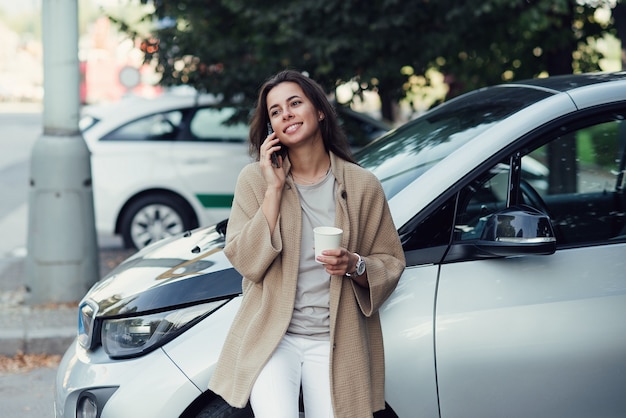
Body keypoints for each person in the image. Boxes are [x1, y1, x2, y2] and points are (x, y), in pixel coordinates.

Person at [208, 69, 406, 418]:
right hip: (273, 336)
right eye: (275, 111)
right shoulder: (255, 179)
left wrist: (354, 264)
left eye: (295, 103)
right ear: (271, 128)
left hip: (335, 339)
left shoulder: (362, 185)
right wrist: (273, 189)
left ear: (319, 111)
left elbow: (390, 262)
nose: (286, 113)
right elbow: (246, 261)